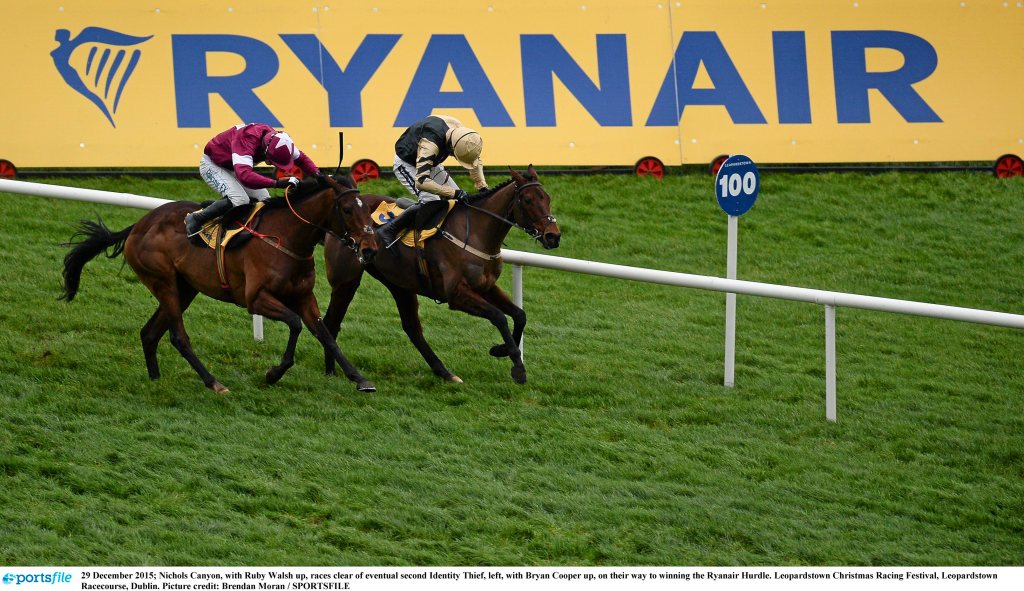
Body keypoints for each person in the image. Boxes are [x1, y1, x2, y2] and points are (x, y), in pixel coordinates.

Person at [185, 123, 321, 237]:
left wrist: (319, 175)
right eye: (273, 161)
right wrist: (277, 183)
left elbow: (302, 159)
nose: (273, 165)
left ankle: (226, 211)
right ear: (266, 151)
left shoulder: (280, 141)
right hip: (213, 165)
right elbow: (245, 176)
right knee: (240, 200)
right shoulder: (247, 140)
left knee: (264, 201)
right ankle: (196, 218)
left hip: (235, 167)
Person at [377, 115, 488, 247]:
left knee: (459, 203)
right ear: (452, 147)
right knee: (432, 202)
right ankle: (389, 230)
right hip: (407, 163)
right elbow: (421, 181)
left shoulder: (464, 136)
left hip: (431, 161)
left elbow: (474, 162)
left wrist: (482, 187)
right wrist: (454, 193)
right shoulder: (430, 144)